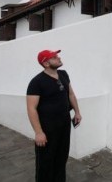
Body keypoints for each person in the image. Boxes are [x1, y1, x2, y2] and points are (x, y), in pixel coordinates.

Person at [26, 49, 82, 182]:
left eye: (57, 56)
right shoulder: (36, 82)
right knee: (45, 161)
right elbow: (31, 108)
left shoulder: (63, 74)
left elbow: (70, 94)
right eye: (54, 57)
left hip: (64, 125)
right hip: (47, 128)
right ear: (46, 63)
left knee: (61, 158)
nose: (58, 58)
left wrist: (77, 112)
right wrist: (39, 132)